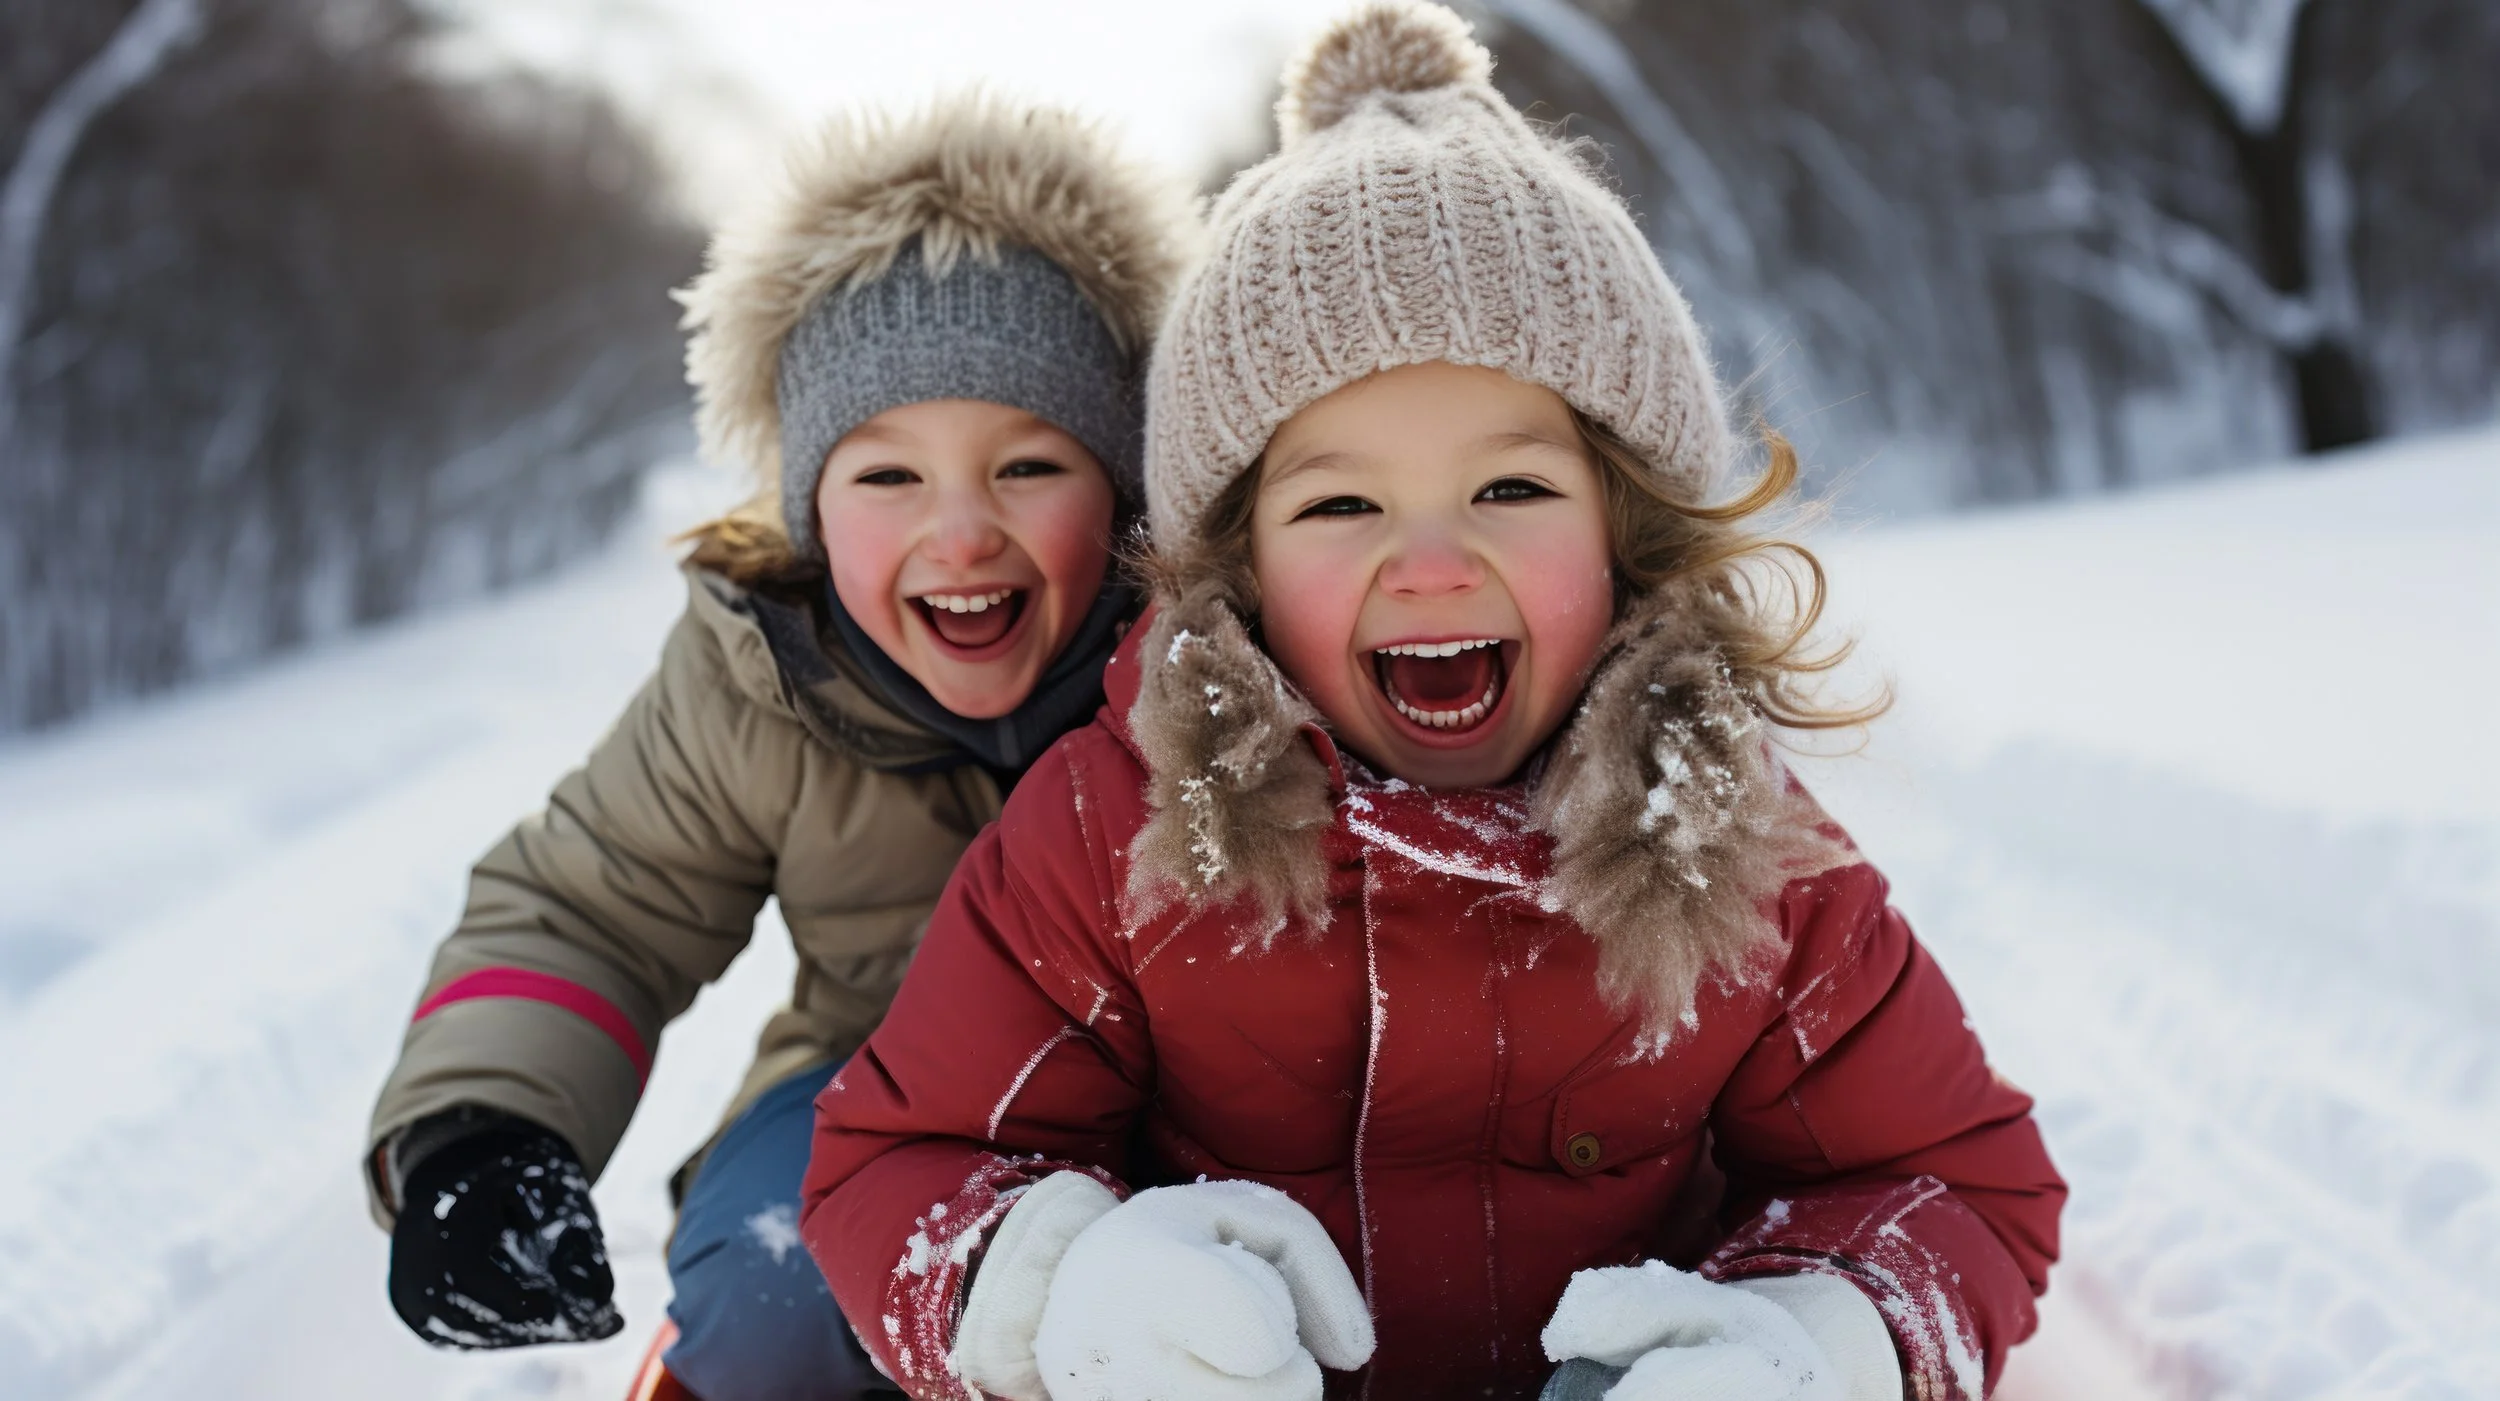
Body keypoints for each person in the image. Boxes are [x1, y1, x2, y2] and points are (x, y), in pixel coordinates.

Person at [801, 6, 2066, 1401]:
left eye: (1511, 489)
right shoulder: (1119, 838)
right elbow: (905, 1160)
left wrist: (1809, 1345)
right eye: (1341, 503)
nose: (1429, 561)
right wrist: (1067, 1297)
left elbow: (1950, 1185)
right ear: (1240, 566)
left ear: (1623, 530)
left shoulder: (1741, 854)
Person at [364, 93, 1198, 1401]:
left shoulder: (1209, 671)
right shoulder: (765, 676)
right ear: (808, 508)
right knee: (776, 1285)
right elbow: (597, 908)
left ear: (1129, 487)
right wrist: (480, 1135)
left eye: (1030, 465)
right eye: (888, 477)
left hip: (1194, 1104)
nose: (962, 531)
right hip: (868, 1097)